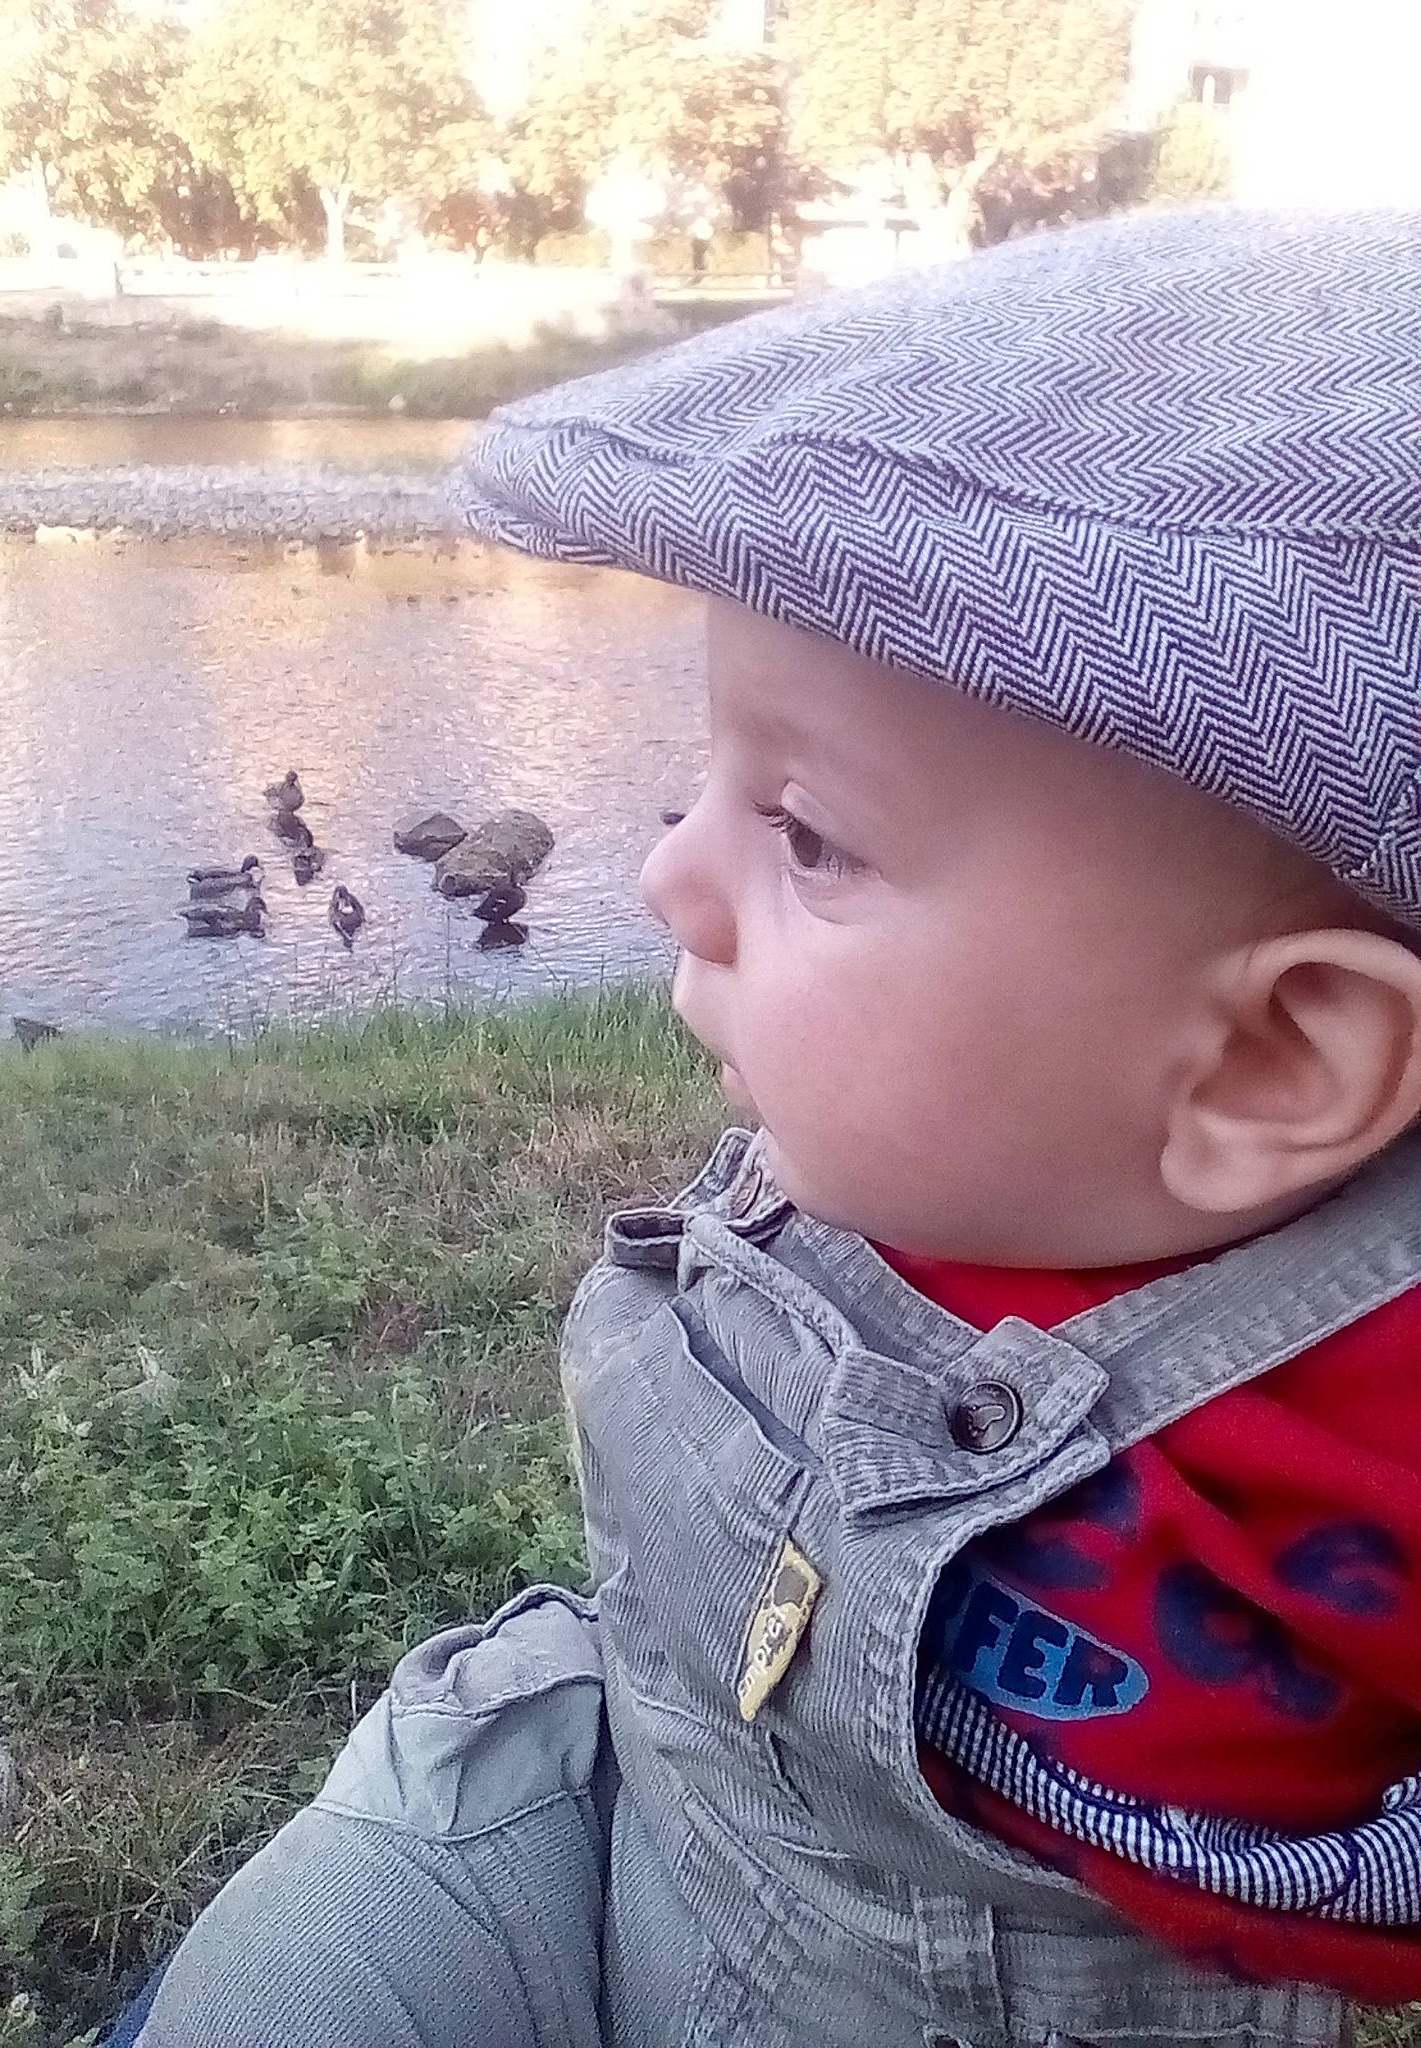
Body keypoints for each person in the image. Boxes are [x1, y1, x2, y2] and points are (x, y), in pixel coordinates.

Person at [127, 208, 1421, 2046]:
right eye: (709, 784)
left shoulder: (1377, 1429)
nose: (665, 875)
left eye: (806, 834)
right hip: (604, 1787)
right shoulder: (922, 1142)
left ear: (1270, 1066)